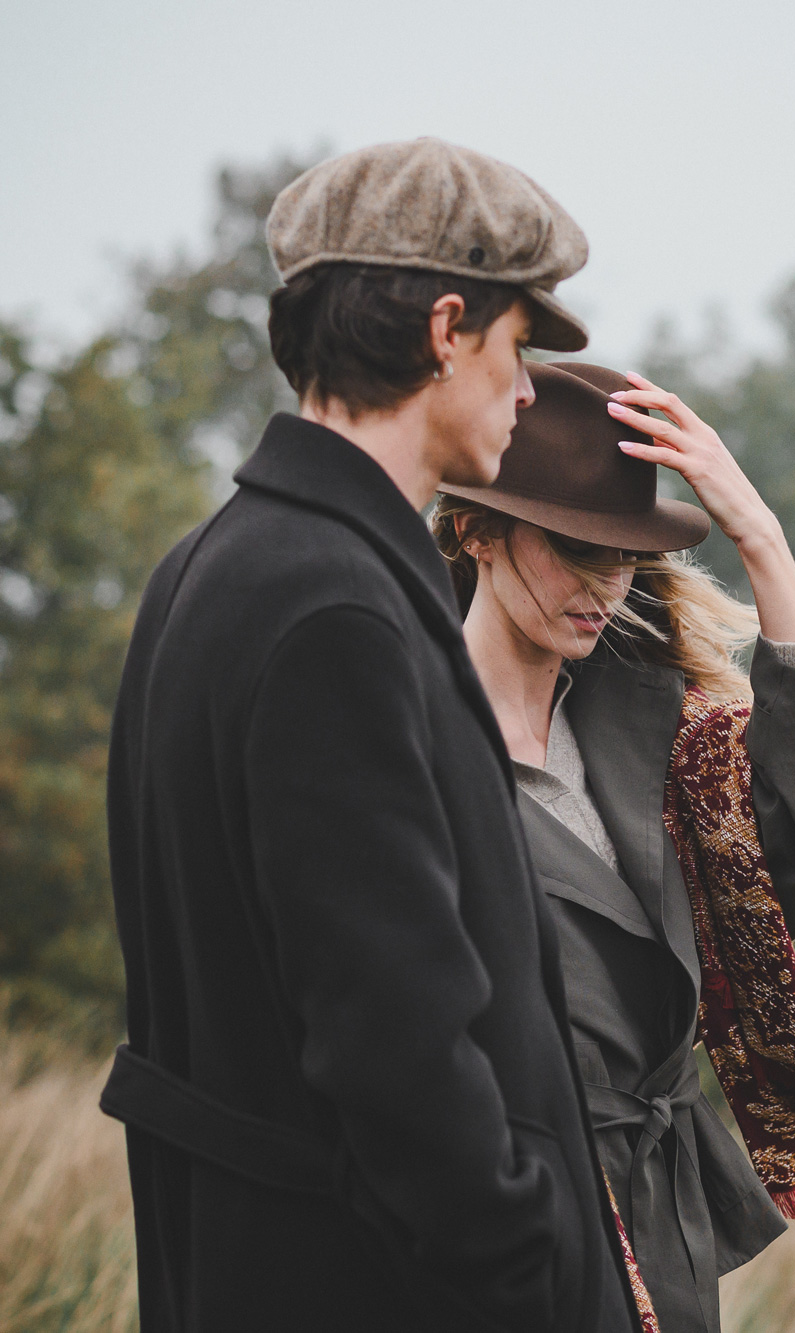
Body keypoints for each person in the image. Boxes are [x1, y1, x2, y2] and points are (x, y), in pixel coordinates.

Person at [99, 142, 640, 1333]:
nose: (523, 391)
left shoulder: (206, 568)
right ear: (446, 329)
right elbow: (393, 1048)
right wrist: (531, 1269)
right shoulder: (336, 609)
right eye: (516, 350)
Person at [432, 360, 795, 1333]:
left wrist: (758, 537)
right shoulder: (407, 740)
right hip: (492, 1232)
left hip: (660, 1234)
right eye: (574, 547)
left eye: (627, 554)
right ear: (476, 528)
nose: (607, 583)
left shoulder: (667, 742)